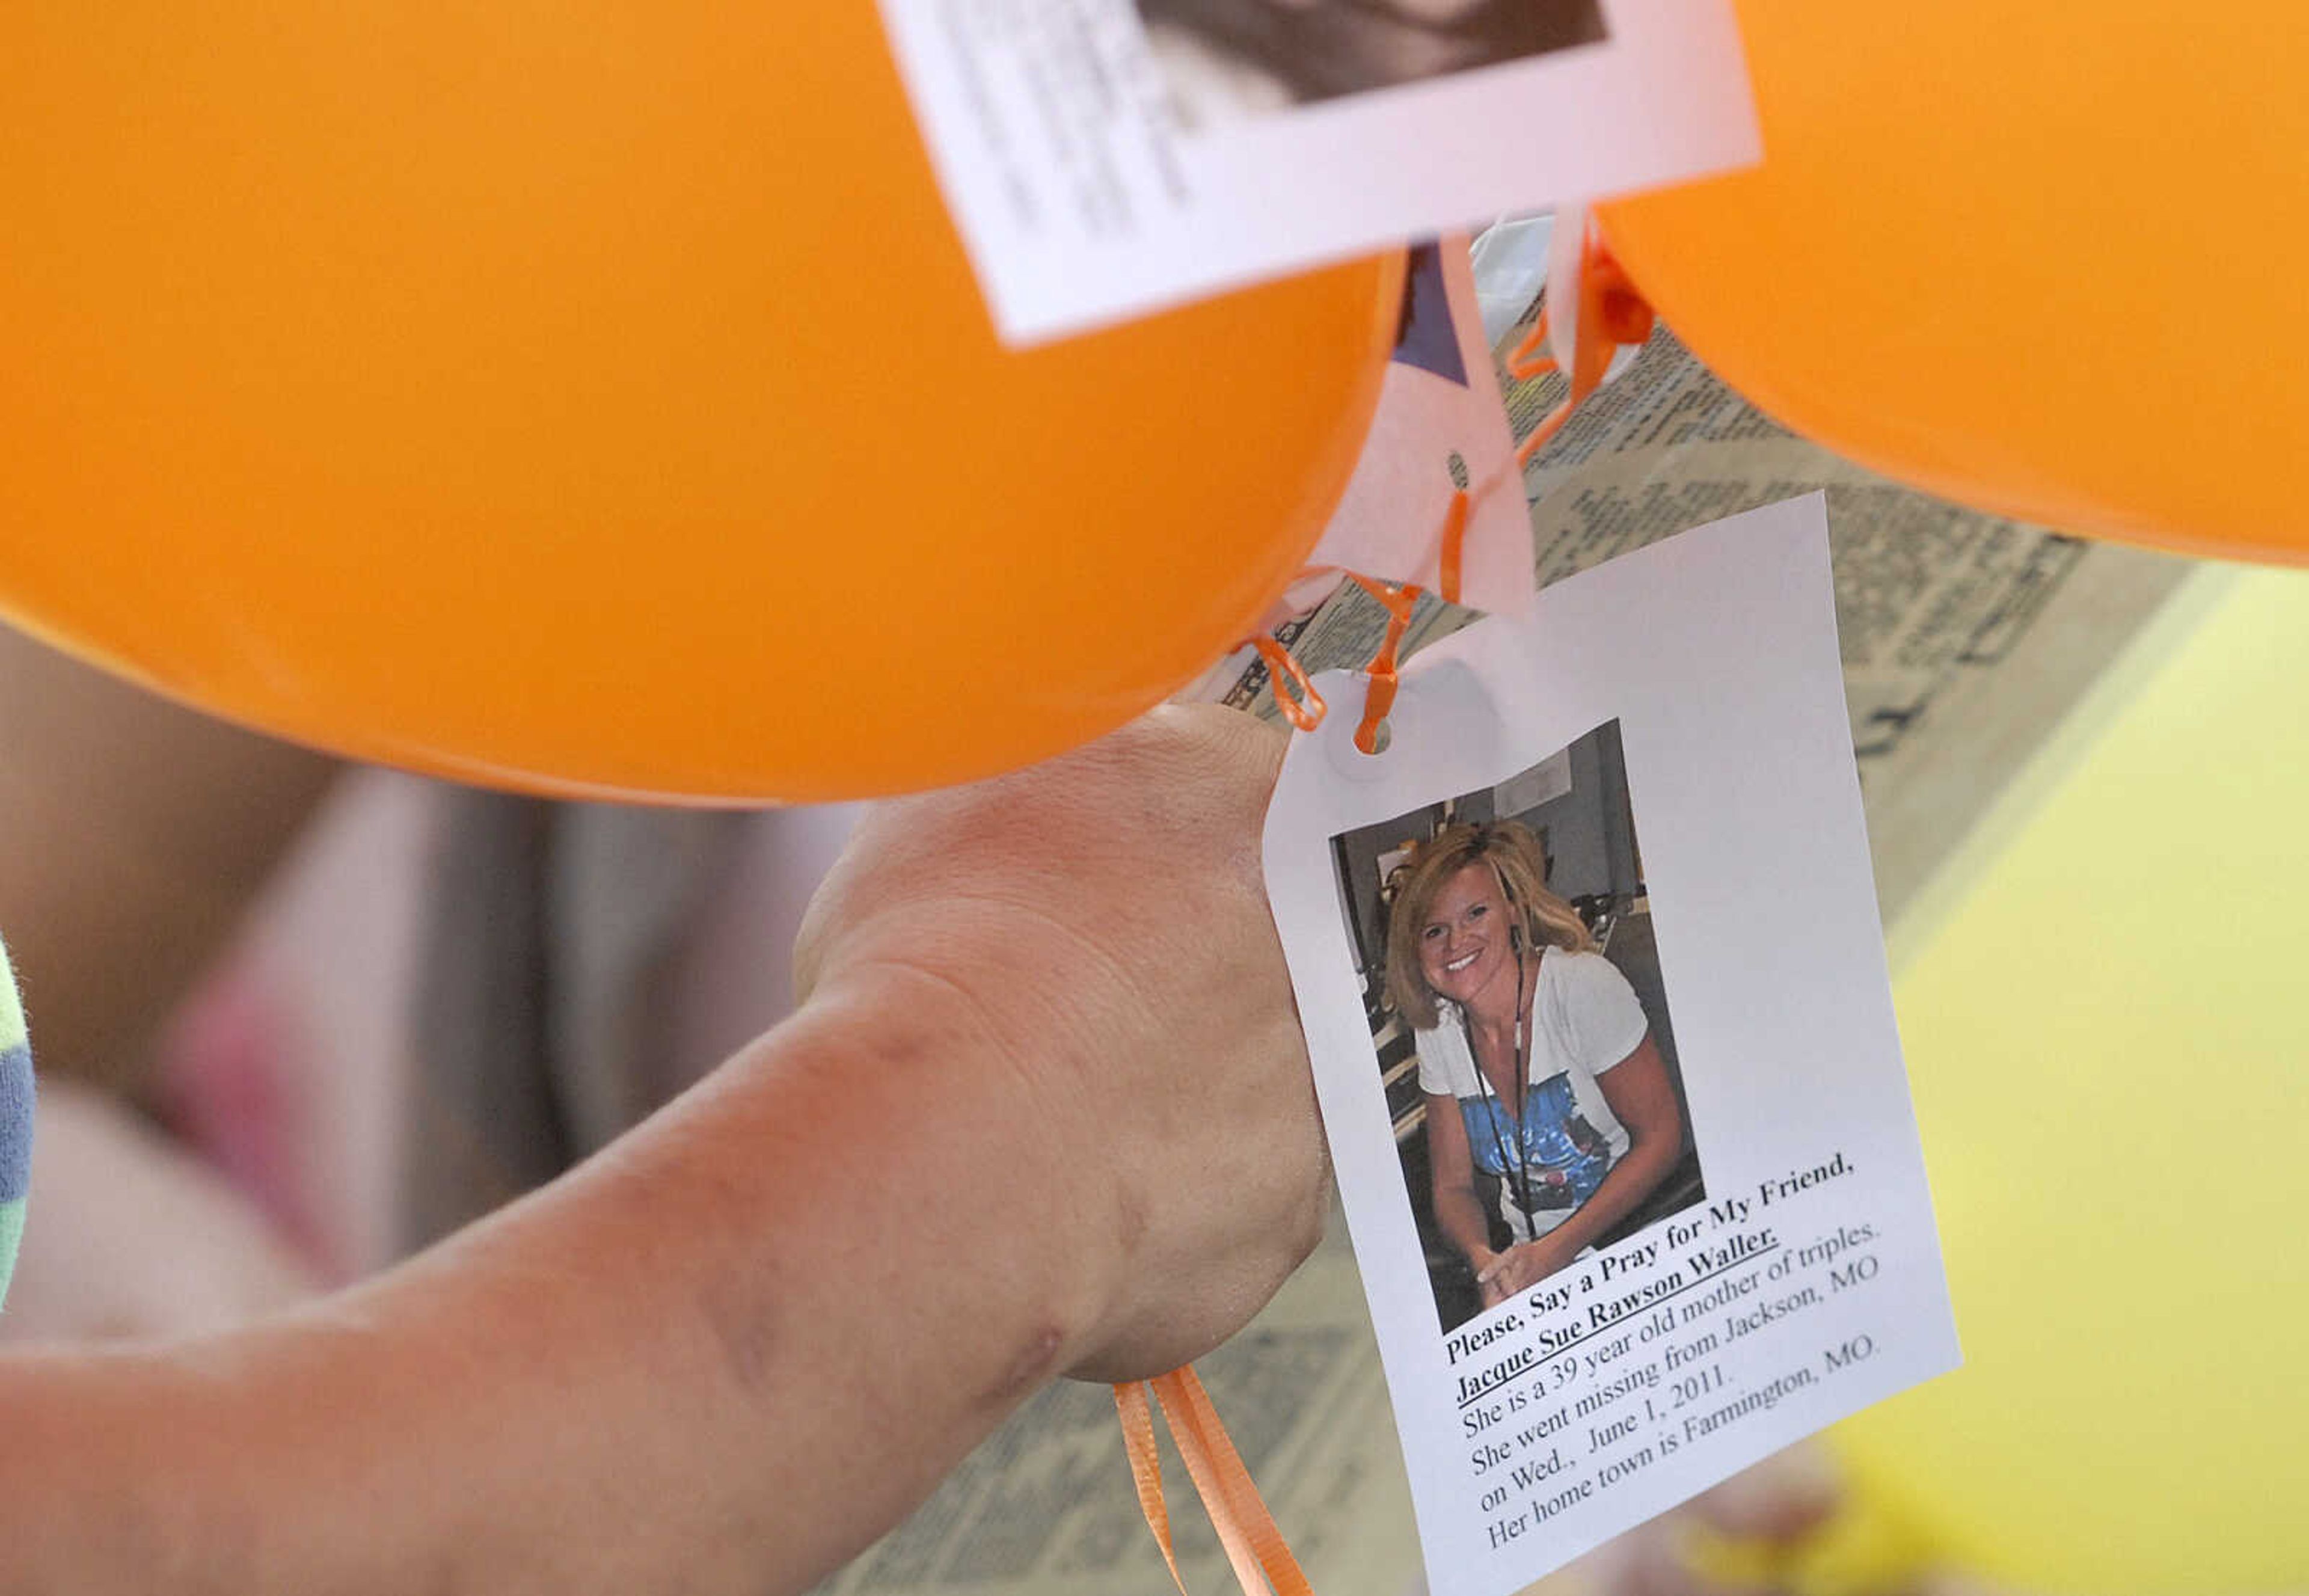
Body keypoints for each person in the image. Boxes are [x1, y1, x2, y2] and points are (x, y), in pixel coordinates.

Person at [1385, 821, 1681, 1308]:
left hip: (1631, 1238)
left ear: (1515, 912)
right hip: (1529, 1269)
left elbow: (1662, 1138)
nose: (1455, 944)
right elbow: (1453, 1187)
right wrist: (1486, 1266)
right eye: (1434, 931)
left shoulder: (1580, 986)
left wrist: (1553, 1254)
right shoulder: (1438, 1029)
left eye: (1475, 914)